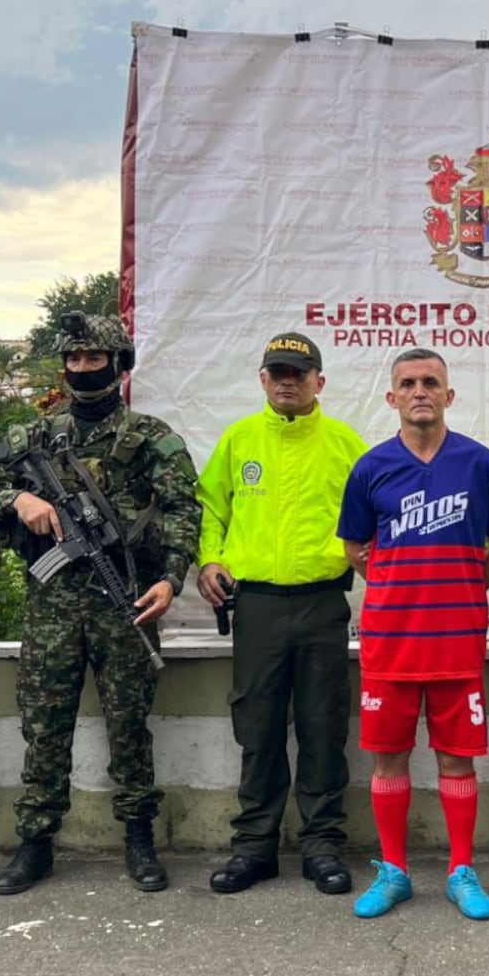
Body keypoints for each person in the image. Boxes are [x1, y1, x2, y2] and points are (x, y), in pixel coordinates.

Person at [0, 312, 201, 894]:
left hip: (127, 602)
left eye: (93, 359)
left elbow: (182, 512)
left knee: (129, 727)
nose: (81, 369)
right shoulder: (34, 437)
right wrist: (19, 498)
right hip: (53, 607)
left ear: (117, 365)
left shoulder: (151, 438)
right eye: (73, 360)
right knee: (44, 728)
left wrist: (170, 579)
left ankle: (140, 838)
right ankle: (36, 842)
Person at [339, 348, 489, 920]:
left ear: (449, 395)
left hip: (457, 640)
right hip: (390, 642)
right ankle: (394, 871)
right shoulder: (371, 467)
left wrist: (466, 587)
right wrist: (398, 586)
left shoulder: (480, 464)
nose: (420, 391)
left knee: (457, 761)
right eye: (408, 383)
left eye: (431, 382)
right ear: (392, 398)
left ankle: (460, 871)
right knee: (388, 759)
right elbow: (355, 549)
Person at [196, 332, 367, 897]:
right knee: (259, 728)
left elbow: (373, 525)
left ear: (320, 381)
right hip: (258, 607)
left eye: (299, 372)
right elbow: (208, 510)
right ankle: (254, 848)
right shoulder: (239, 440)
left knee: (323, 725)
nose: (288, 381)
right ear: (263, 380)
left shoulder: (346, 445)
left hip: (322, 604)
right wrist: (209, 560)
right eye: (278, 372)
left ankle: (322, 847)